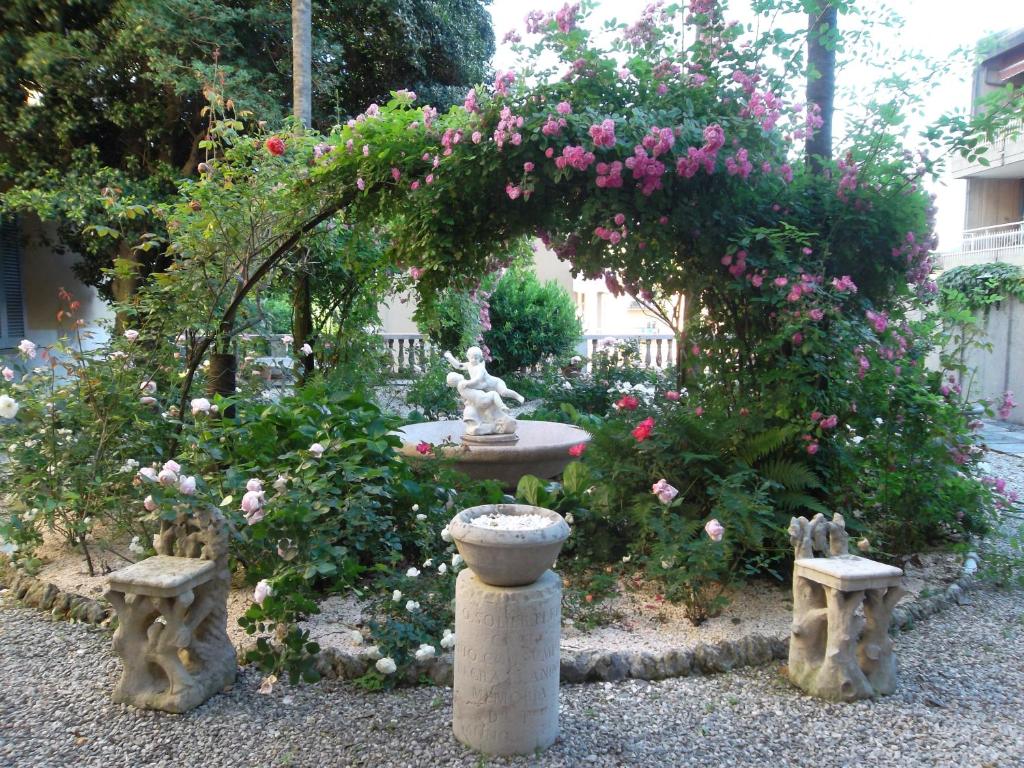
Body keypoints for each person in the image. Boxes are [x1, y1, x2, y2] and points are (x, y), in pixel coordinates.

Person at [444, 347, 525, 404]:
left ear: (480, 358)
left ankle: (518, 397)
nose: (474, 360)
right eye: (472, 357)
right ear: (468, 357)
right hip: (485, 387)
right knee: (488, 400)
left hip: (495, 383)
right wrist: (449, 357)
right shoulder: (469, 365)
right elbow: (458, 365)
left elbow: (477, 380)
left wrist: (467, 383)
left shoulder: (480, 368)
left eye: (476, 358)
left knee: (504, 392)